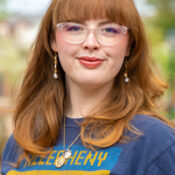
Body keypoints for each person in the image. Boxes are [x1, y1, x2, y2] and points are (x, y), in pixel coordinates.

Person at [1, 0, 175, 174]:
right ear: (53, 40)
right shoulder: (23, 139)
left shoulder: (156, 142)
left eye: (109, 30)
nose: (91, 43)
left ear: (129, 45)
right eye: (75, 28)